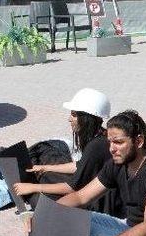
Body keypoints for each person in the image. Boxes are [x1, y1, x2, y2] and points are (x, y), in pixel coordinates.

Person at [13, 89, 123, 217]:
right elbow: (81, 165)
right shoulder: (100, 136)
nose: (69, 119)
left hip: (102, 203)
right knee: (48, 175)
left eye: (74, 114)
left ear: (86, 118)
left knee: (39, 197)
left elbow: (72, 188)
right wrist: (45, 167)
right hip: (98, 192)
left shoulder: (96, 146)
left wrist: (32, 187)